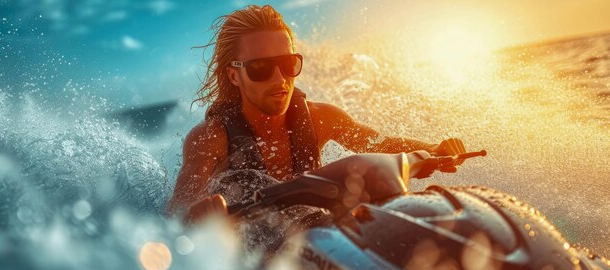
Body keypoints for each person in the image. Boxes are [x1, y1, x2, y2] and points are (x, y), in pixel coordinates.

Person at [167, 5, 466, 223]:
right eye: (261, 68)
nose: (279, 79)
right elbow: (178, 211)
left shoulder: (322, 119)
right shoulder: (210, 139)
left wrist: (434, 149)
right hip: (251, 243)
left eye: (287, 64)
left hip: (316, 229)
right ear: (234, 76)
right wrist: (197, 215)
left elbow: (380, 145)